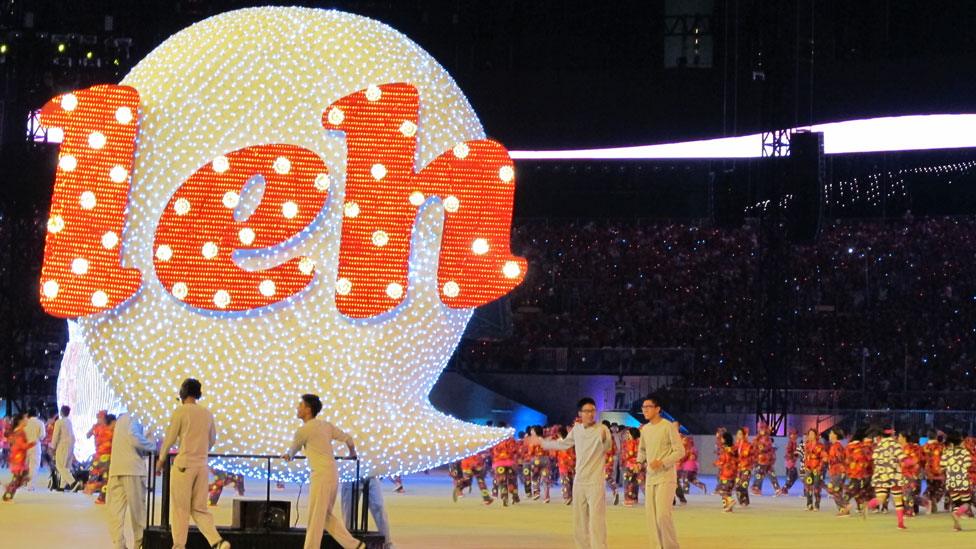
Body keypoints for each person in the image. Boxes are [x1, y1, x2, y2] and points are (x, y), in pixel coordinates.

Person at [527, 397, 613, 549]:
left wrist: (606, 439)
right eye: (587, 411)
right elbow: (563, 444)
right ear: (580, 413)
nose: (590, 414)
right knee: (579, 521)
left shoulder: (602, 429)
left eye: (593, 411)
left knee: (597, 520)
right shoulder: (577, 430)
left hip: (595, 482)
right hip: (579, 481)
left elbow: (607, 448)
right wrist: (541, 442)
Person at [156, 378, 230, 549]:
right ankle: (217, 542)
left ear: (183, 392)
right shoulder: (206, 413)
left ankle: (179, 545)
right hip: (202, 465)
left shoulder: (180, 412)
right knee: (199, 509)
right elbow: (212, 439)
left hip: (184, 465)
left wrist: (161, 459)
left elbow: (169, 438)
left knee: (180, 509)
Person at [281, 393, 363, 549]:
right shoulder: (326, 425)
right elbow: (348, 439)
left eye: (301, 405)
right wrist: (352, 453)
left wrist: (288, 455)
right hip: (332, 474)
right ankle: (355, 546)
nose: (297, 408)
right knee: (325, 517)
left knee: (316, 518)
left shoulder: (303, 430)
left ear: (308, 409)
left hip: (321, 476)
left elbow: (292, 450)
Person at [638, 395, 684, 549]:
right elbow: (642, 450)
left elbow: (680, 451)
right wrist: (639, 462)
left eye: (648, 407)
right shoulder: (645, 429)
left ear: (657, 409)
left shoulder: (668, 426)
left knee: (663, 516)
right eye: (643, 407)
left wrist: (663, 462)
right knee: (651, 517)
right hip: (650, 478)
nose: (645, 410)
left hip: (666, 477)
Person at [107, 412, 156, 549]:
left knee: (115, 510)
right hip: (132, 469)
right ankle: (139, 544)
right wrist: (153, 447)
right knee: (138, 512)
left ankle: (119, 544)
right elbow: (134, 438)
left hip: (116, 469)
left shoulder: (120, 423)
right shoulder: (133, 418)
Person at [867, 428, 907, 530]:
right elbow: (903, 458)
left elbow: (873, 459)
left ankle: (867, 505)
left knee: (880, 499)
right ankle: (900, 523)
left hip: (880, 475)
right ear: (892, 435)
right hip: (894, 475)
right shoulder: (895, 445)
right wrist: (912, 463)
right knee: (898, 500)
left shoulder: (878, 446)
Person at [341, 477, 395, 549]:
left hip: (372, 475)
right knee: (349, 515)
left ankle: (387, 544)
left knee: (379, 507)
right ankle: (348, 545)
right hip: (351, 477)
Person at [941, 430, 973, 531]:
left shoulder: (947, 452)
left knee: (956, 503)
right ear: (960, 441)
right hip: (962, 481)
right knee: (967, 503)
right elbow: (968, 465)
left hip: (951, 481)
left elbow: (942, 466)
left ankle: (956, 526)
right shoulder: (965, 452)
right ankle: (957, 513)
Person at [2, 413, 35, 501]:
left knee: (20, 478)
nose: (27, 419)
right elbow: (21, 445)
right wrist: (32, 444)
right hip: (18, 458)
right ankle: (8, 492)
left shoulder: (19, 430)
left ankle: (9, 492)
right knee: (19, 478)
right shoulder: (20, 431)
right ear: (20, 421)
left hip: (18, 457)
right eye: (25, 418)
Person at [51, 405, 78, 491]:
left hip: (62, 445)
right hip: (70, 445)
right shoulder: (69, 422)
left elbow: (55, 436)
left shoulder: (59, 422)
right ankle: (62, 486)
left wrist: (53, 447)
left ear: (61, 412)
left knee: (60, 466)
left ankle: (72, 482)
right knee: (66, 466)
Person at [801, 428, 827, 511]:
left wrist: (819, 468)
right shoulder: (806, 445)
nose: (810, 436)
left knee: (816, 487)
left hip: (817, 469)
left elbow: (823, 458)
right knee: (808, 487)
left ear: (816, 435)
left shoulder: (820, 446)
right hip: (808, 469)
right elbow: (805, 457)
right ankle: (809, 504)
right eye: (809, 434)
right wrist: (805, 466)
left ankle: (817, 505)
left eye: (812, 434)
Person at [825, 429, 847, 515]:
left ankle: (844, 506)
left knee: (832, 489)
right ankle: (844, 509)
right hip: (836, 471)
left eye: (831, 433)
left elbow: (840, 458)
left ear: (835, 435)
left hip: (838, 471)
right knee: (837, 490)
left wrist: (829, 459)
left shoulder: (837, 446)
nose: (829, 435)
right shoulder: (835, 445)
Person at [714, 431, 737, 512]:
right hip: (733, 474)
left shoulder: (725, 449)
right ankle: (727, 507)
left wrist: (717, 463)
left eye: (722, 438)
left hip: (726, 473)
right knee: (728, 491)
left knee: (723, 490)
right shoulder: (733, 448)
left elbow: (724, 460)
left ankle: (730, 500)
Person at [24, 409, 45, 491]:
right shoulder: (40, 423)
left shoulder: (25, 422)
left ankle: (22, 482)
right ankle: (30, 486)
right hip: (35, 446)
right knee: (34, 466)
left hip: (25, 446)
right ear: (37, 414)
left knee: (25, 465)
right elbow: (42, 436)